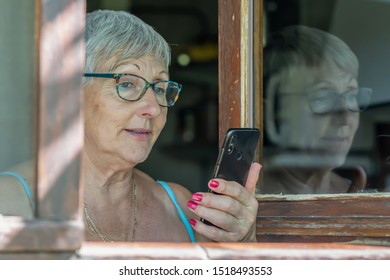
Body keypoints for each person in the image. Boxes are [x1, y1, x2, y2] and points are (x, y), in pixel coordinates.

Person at [261, 25, 372, 194]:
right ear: (269, 114)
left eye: (351, 95)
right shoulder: (249, 204)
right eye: (322, 96)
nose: (346, 116)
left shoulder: (355, 192)